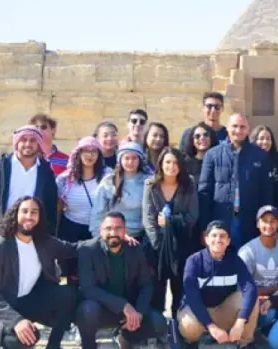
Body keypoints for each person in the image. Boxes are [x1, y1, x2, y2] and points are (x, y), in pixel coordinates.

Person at [0, 197, 78, 349]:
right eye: (24, 211)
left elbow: (73, 249)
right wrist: (16, 321)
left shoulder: (43, 241)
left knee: (68, 294)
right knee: (26, 339)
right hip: (1, 310)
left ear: (40, 217)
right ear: (15, 214)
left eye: (34, 212)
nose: (29, 216)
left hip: (27, 302)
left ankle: (54, 345)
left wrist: (104, 238)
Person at [76, 211, 167, 349]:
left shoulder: (136, 249)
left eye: (118, 228)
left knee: (159, 323)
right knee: (86, 310)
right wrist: (123, 305)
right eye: (108, 228)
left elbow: (147, 285)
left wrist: (139, 312)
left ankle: (126, 337)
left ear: (125, 230)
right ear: (100, 230)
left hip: (130, 311)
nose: (113, 232)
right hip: (101, 309)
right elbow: (88, 289)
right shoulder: (88, 250)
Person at [178, 220, 259, 347]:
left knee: (252, 299)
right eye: (214, 235)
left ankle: (244, 341)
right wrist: (211, 326)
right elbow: (192, 296)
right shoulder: (194, 261)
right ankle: (198, 339)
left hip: (223, 307)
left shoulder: (235, 260)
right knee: (189, 326)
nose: (218, 239)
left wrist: (240, 322)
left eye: (222, 236)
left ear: (228, 241)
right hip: (199, 309)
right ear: (206, 239)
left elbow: (250, 288)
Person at [198, 113, 273, 247]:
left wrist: (266, 222)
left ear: (248, 130)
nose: (238, 130)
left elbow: (266, 192)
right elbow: (204, 192)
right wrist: (205, 226)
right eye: (234, 126)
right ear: (227, 128)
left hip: (249, 221)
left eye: (242, 127)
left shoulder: (260, 156)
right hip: (220, 220)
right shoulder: (212, 155)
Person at [0, 125, 59, 245]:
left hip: (33, 234)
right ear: (16, 142)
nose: (28, 144)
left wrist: (49, 236)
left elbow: (51, 206)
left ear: (38, 144)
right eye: (24, 140)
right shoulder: (0, 167)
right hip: (2, 232)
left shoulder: (45, 170)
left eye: (33, 140)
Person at [143, 147, 199, 317]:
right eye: (168, 162)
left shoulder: (188, 183)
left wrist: (170, 221)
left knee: (179, 287)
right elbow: (148, 218)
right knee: (156, 288)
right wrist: (158, 244)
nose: (172, 166)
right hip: (157, 246)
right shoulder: (151, 185)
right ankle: (157, 324)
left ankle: (178, 322)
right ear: (161, 164)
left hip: (181, 243)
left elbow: (192, 215)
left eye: (175, 162)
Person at [55, 136, 111, 281]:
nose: (90, 155)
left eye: (94, 151)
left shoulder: (108, 176)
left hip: (97, 230)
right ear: (78, 153)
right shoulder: (65, 179)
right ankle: (67, 291)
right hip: (70, 230)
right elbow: (58, 207)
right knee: (68, 271)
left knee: (93, 271)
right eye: (86, 151)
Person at [238, 206, 278, 330]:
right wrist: (273, 289)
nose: (269, 225)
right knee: (261, 312)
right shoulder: (247, 251)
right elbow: (242, 288)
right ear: (257, 224)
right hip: (252, 299)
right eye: (264, 221)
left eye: (272, 221)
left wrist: (275, 295)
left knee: (273, 313)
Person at [89, 142, 151, 241]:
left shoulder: (148, 182)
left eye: (134, 158)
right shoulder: (109, 181)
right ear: (120, 160)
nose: (130, 162)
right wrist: (98, 237)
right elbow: (98, 212)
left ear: (140, 160)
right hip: (113, 236)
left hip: (141, 237)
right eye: (127, 158)